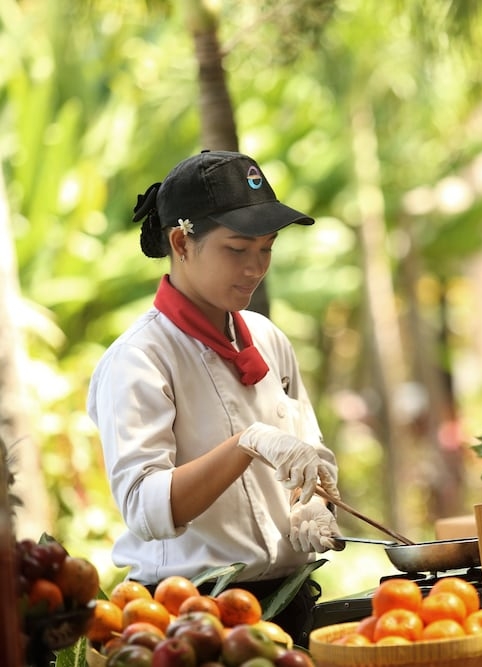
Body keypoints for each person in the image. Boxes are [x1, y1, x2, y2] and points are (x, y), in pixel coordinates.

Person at [87, 150, 343, 645]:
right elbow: (145, 508)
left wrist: (311, 507)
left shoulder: (268, 339)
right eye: (237, 249)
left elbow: (310, 454)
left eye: (266, 249)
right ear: (182, 242)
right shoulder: (139, 359)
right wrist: (246, 442)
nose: (255, 268)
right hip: (188, 615)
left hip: (287, 603)